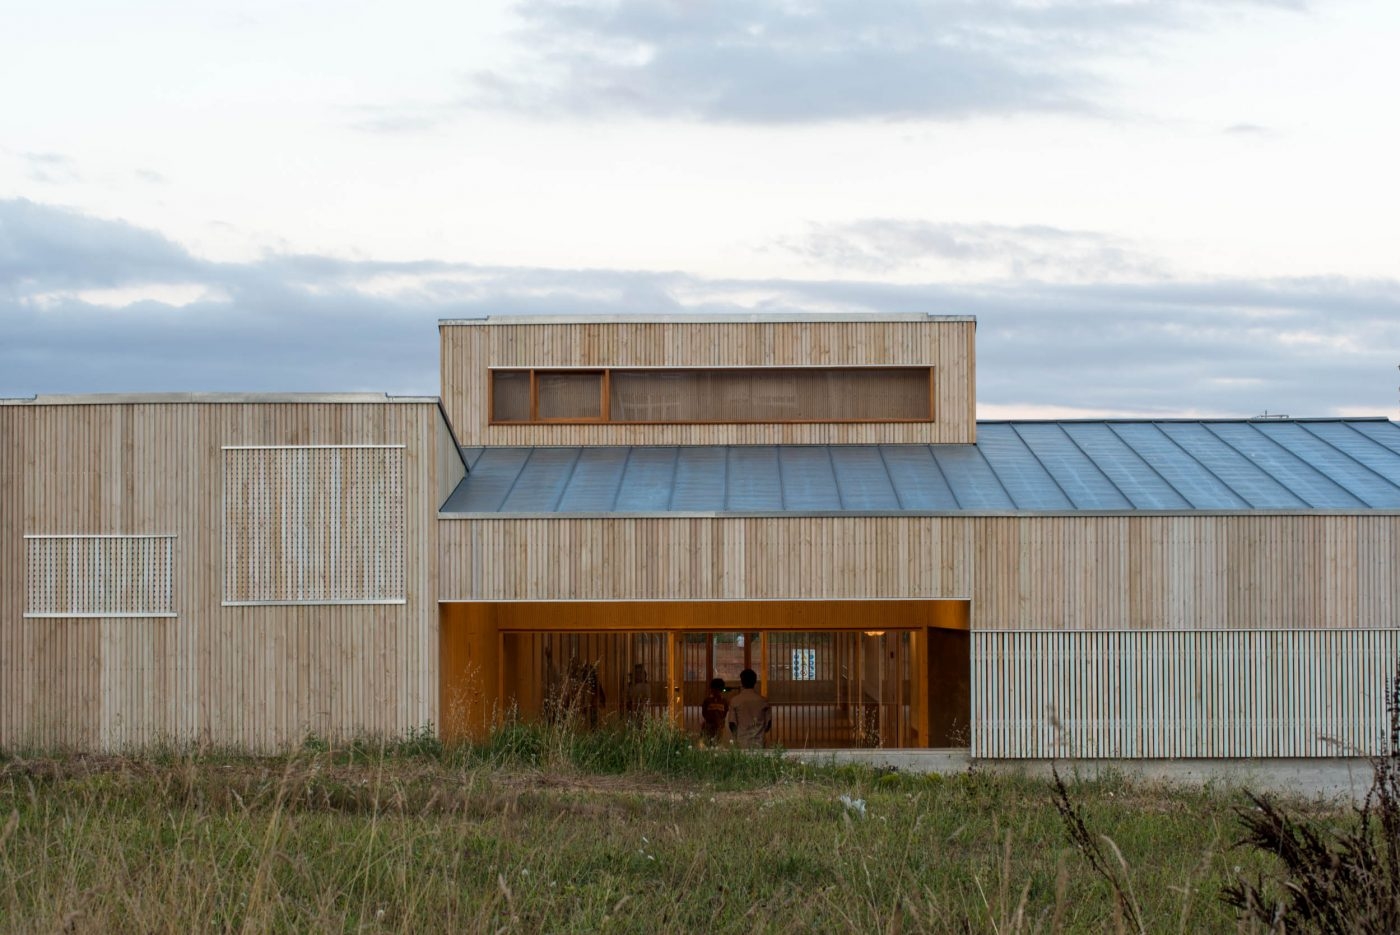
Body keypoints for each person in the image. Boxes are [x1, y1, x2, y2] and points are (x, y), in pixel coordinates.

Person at [726, 668, 771, 749]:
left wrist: (737, 736)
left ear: (742, 682)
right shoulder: (763, 701)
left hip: (742, 742)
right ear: (755, 682)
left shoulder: (735, 700)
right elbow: (768, 724)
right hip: (759, 742)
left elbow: (732, 723)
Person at [700, 677, 729, 744]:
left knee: (718, 742)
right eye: (715, 689)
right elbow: (704, 712)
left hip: (720, 726)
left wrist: (720, 721)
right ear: (712, 689)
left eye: (719, 689)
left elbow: (725, 712)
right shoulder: (707, 700)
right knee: (708, 742)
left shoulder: (724, 701)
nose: (717, 691)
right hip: (709, 725)